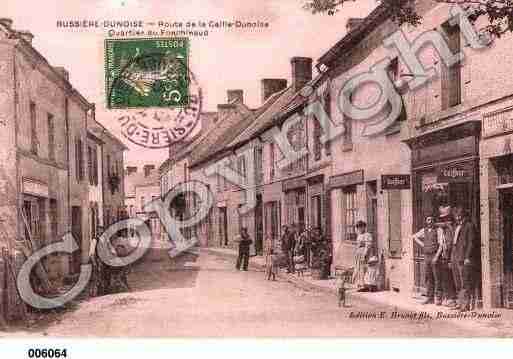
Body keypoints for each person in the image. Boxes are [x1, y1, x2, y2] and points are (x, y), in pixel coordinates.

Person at [412, 215, 445, 305]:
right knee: (428, 277)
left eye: (431, 219)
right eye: (428, 220)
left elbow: (441, 245)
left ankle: (438, 298)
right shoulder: (424, 230)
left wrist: (436, 257)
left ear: (434, 221)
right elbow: (414, 237)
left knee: (437, 277)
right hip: (427, 256)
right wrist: (423, 245)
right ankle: (429, 297)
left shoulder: (438, 230)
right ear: (426, 221)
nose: (430, 221)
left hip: (435, 255)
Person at [450, 207, 478, 312]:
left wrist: (467, 257)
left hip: (463, 258)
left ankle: (465, 305)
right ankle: (459, 303)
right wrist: (452, 257)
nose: (457, 216)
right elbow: (454, 243)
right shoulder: (457, 226)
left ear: (464, 215)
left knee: (464, 282)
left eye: (459, 214)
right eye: (456, 214)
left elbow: (471, 243)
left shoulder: (469, 226)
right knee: (457, 282)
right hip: (455, 256)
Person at [437, 206, 458, 308]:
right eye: (443, 219)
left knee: (451, 278)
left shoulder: (451, 229)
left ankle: (452, 299)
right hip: (445, 256)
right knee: (446, 278)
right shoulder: (445, 229)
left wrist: (449, 258)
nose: (445, 221)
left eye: (446, 219)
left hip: (450, 256)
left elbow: (450, 244)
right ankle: (449, 297)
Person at [352, 220, 373, 292]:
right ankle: (360, 284)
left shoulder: (367, 235)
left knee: (363, 269)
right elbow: (357, 245)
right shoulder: (359, 235)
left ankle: (364, 285)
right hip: (359, 254)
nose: (359, 229)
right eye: (358, 228)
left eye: (361, 227)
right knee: (358, 268)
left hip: (364, 253)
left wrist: (365, 254)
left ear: (364, 227)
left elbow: (368, 246)